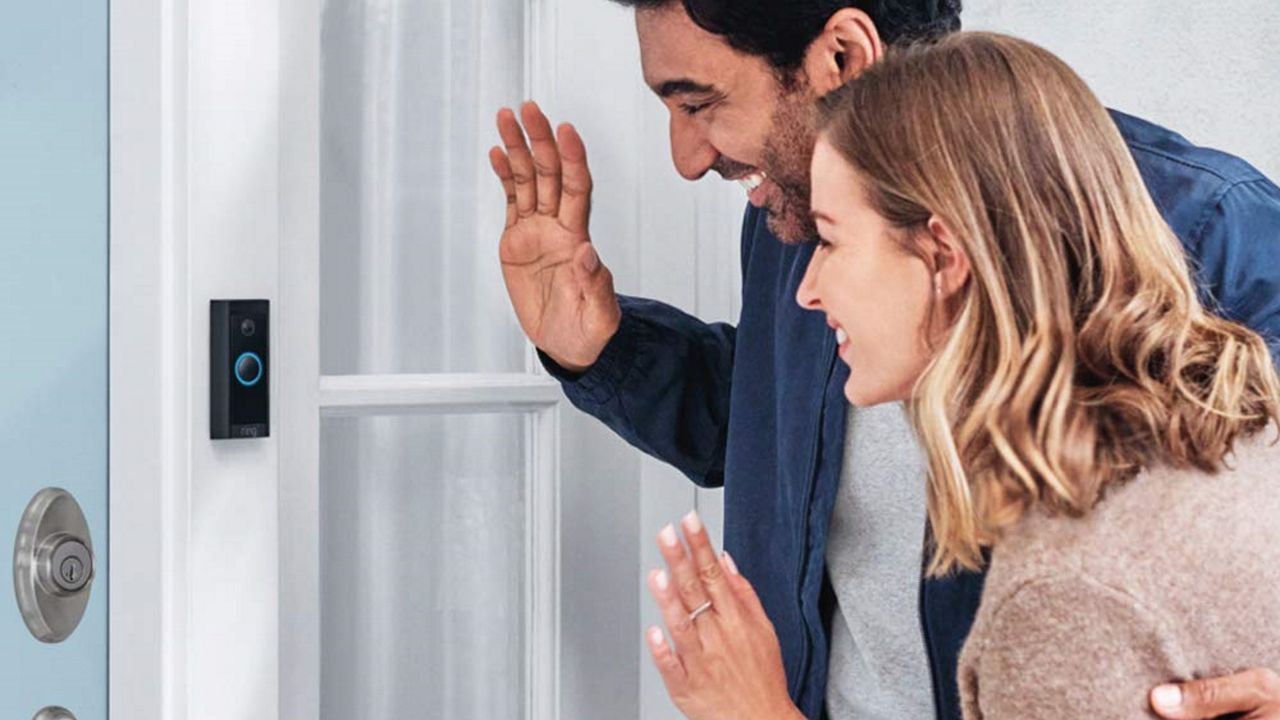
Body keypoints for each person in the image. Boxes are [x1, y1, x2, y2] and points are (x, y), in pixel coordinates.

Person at [487, 2, 1280, 717]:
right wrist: (599, 344)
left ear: (842, 57)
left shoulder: (1206, 228)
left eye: (700, 102)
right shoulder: (791, 212)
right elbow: (775, 426)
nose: (687, 157)